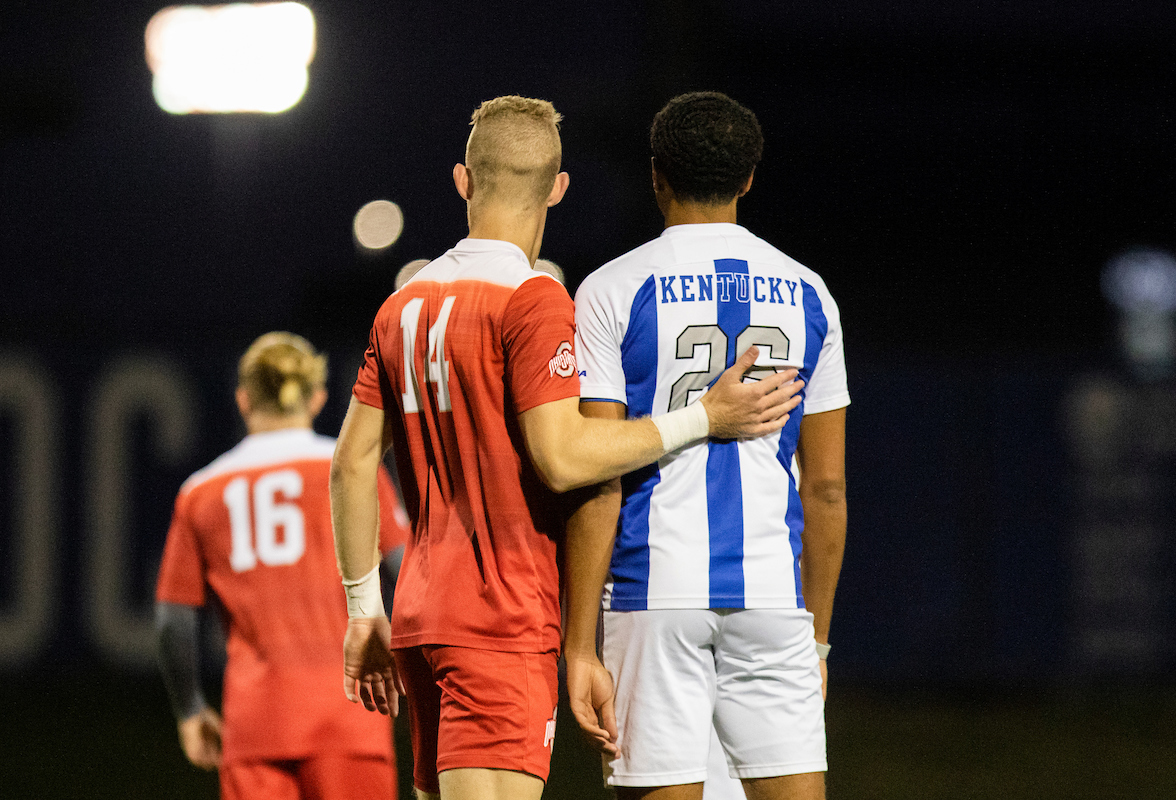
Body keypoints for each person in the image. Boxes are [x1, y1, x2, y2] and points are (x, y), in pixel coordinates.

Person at [331, 94, 805, 800]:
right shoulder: (534, 299)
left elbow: (350, 464)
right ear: (557, 188)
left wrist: (362, 608)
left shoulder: (401, 304)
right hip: (500, 618)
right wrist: (703, 416)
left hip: (420, 618)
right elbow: (563, 456)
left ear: (463, 179)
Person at [565, 91, 850, 800]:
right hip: (772, 596)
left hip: (651, 592)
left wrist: (577, 644)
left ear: (656, 174)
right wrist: (815, 637)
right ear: (749, 178)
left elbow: (598, 470)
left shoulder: (611, 289)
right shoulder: (810, 292)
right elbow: (827, 490)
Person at [155, 331, 410, 800]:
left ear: (243, 399)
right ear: (317, 398)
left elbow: (173, 616)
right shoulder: (350, 471)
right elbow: (409, 572)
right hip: (351, 716)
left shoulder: (201, 491)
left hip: (255, 724)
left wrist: (190, 709)